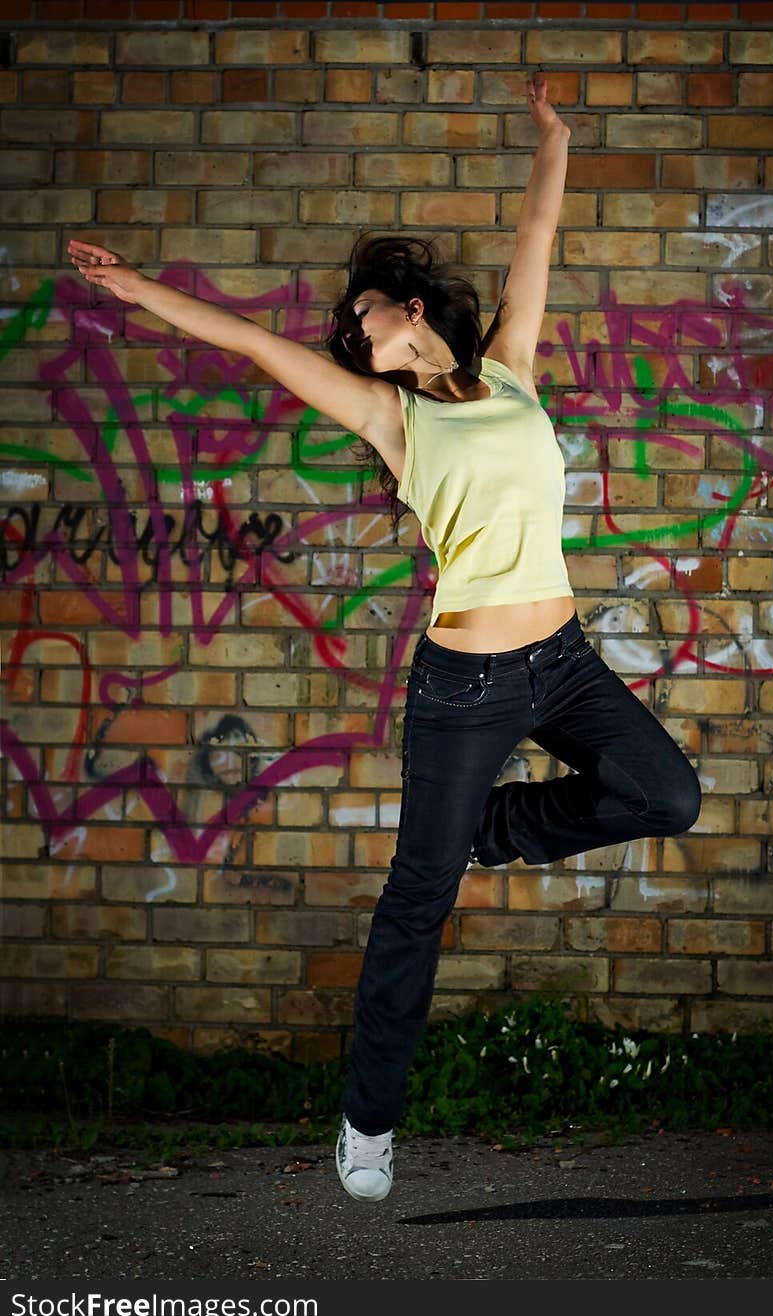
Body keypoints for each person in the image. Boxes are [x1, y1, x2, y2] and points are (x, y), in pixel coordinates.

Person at [67, 73, 702, 1204]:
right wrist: (137, 290)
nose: (351, 334)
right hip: (467, 684)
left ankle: (491, 829)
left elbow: (536, 230)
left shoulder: (507, 372)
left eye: (363, 314)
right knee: (416, 899)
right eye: (349, 329)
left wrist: (551, 137)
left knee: (664, 793)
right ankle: (369, 1120)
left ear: (410, 309)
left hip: (562, 662)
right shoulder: (386, 417)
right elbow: (255, 346)